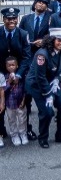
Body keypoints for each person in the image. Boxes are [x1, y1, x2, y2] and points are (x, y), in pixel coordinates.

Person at [25, 28, 61, 148]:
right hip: (37, 85)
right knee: (47, 112)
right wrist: (48, 95)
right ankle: (43, 137)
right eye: (59, 40)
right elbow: (40, 77)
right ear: (52, 40)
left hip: (52, 81)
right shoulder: (42, 54)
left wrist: (57, 79)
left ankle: (60, 135)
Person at [0, 8, 33, 141]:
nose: (12, 21)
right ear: (4, 19)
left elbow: (26, 57)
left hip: (20, 73)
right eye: (9, 18)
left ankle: (25, 130)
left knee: (24, 104)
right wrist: (2, 76)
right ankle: (1, 132)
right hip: (1, 74)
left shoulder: (23, 33)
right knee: (1, 104)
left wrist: (18, 75)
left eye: (14, 18)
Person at [4, 57, 24, 146]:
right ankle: (14, 135)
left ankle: (23, 134)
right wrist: (9, 81)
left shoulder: (21, 76)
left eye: (13, 65)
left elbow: (25, 89)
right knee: (11, 120)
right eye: (9, 66)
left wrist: (24, 100)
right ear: (6, 67)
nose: (11, 67)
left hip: (20, 102)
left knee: (22, 119)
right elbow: (3, 90)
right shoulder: (4, 77)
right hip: (9, 103)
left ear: (17, 65)